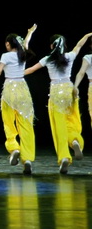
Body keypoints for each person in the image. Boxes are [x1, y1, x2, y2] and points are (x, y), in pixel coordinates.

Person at [24, 31, 92, 174]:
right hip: (69, 90)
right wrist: (86, 36)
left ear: (51, 46)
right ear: (64, 45)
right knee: (73, 120)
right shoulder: (70, 56)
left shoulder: (47, 59)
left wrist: (16, 74)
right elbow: (79, 46)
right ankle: (75, 141)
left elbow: (31, 70)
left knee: (59, 127)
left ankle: (64, 157)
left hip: (55, 92)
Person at [0, 25, 37, 174]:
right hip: (23, 89)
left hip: (9, 90)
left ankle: (14, 148)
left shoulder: (6, 56)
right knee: (26, 124)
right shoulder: (22, 53)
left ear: (8, 44)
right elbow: (26, 44)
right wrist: (30, 33)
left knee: (8, 122)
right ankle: (27, 159)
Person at [73, 35, 92, 125]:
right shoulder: (88, 57)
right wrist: (75, 86)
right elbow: (81, 73)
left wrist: (75, 86)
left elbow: (81, 73)